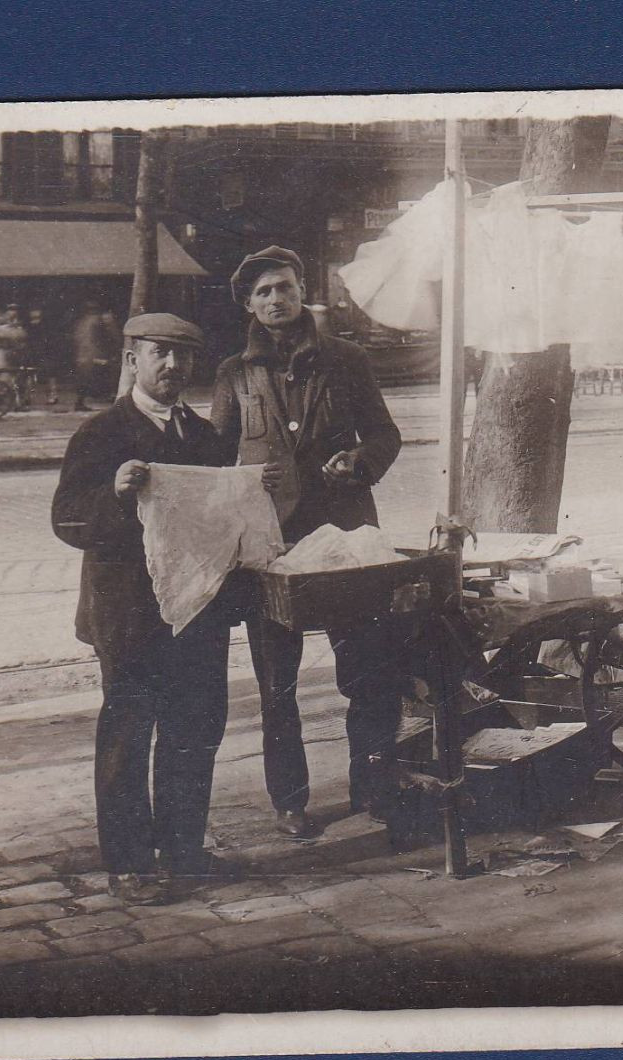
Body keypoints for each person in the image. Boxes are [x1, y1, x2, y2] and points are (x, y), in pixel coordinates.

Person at [210, 246, 404, 839]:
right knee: (278, 685)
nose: (276, 299)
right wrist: (243, 484)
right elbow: (215, 459)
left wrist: (360, 461)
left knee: (367, 673)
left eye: (285, 287)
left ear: (302, 292)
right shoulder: (234, 374)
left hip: (344, 542)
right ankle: (289, 801)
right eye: (264, 291)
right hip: (270, 550)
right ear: (248, 302)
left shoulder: (346, 360)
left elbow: (384, 434)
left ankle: (373, 790)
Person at [50, 313, 246, 902]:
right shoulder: (101, 433)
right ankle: (130, 864)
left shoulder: (206, 438)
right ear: (132, 360)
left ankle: (183, 852)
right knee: (129, 735)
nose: (173, 366)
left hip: (195, 613)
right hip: (130, 616)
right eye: (161, 353)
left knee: (194, 732)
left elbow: (219, 524)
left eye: (184, 356)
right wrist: (112, 494)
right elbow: (66, 520)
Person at [71, 300, 122, 412]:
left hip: (82, 355)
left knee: (84, 378)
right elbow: (107, 337)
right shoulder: (98, 321)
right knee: (113, 368)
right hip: (94, 354)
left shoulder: (81, 322)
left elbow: (76, 338)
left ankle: (81, 401)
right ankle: (112, 396)